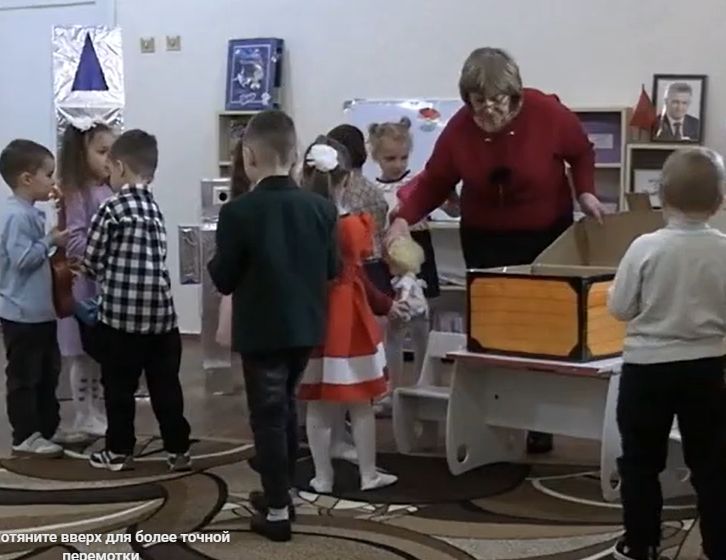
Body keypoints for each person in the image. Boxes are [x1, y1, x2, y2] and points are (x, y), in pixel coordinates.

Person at [386, 47, 606, 453]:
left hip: (545, 237)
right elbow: (435, 180)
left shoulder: (547, 113)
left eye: (497, 100)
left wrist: (587, 193)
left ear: (515, 95)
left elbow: (581, 152)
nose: (488, 110)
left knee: (544, 330)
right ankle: (497, 416)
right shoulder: (459, 130)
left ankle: (540, 419)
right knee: (495, 330)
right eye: (478, 101)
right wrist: (403, 217)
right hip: (485, 238)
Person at [207, 110, 339, 543]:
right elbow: (332, 269)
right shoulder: (321, 208)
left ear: (248, 155)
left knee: (266, 415)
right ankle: (280, 492)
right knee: (285, 408)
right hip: (305, 327)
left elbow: (224, 278)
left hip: (261, 329)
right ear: (295, 155)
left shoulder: (239, 212)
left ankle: (278, 510)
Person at [608, 147, 726, 560]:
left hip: (647, 369)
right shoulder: (723, 249)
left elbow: (620, 308)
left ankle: (641, 543)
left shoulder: (645, 247)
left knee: (640, 461)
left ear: (660, 196)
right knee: (712, 463)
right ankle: (718, 544)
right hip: (708, 369)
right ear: (719, 202)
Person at [297, 136, 402, 495]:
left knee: (318, 403)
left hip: (315, 318)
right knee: (360, 402)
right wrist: (387, 304)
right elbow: (358, 275)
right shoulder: (352, 227)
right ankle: (368, 474)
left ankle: (322, 476)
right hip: (350, 318)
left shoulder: (303, 224)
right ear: (345, 180)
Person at [82, 130, 191, 473]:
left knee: (119, 389)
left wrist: (88, 270)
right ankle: (178, 450)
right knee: (166, 387)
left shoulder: (110, 208)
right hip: (162, 320)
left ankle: (119, 451)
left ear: (119, 167)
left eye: (110, 170)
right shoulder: (154, 209)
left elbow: (92, 259)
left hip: (121, 321)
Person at [0, 139, 68, 457]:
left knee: (47, 373)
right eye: (49, 174)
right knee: (25, 377)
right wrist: (49, 240)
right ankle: (25, 434)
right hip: (21, 313)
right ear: (27, 178)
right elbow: (22, 259)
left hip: (40, 312)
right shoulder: (16, 216)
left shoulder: (28, 213)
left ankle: (47, 428)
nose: (53, 181)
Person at [369, 118, 439, 412]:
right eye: (390, 158)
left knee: (423, 325)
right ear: (376, 157)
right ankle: (393, 389)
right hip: (391, 262)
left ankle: (424, 385)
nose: (398, 164)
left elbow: (447, 209)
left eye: (403, 157)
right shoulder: (373, 190)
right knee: (394, 327)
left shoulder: (420, 186)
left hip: (420, 257)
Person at [55, 120, 114, 441]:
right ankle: (83, 413)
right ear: (81, 154)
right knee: (80, 351)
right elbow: (74, 239)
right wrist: (107, 249)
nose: (109, 159)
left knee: (97, 354)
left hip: (101, 281)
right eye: (102, 151)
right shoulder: (76, 191)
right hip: (81, 284)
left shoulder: (107, 190)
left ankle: (95, 411)